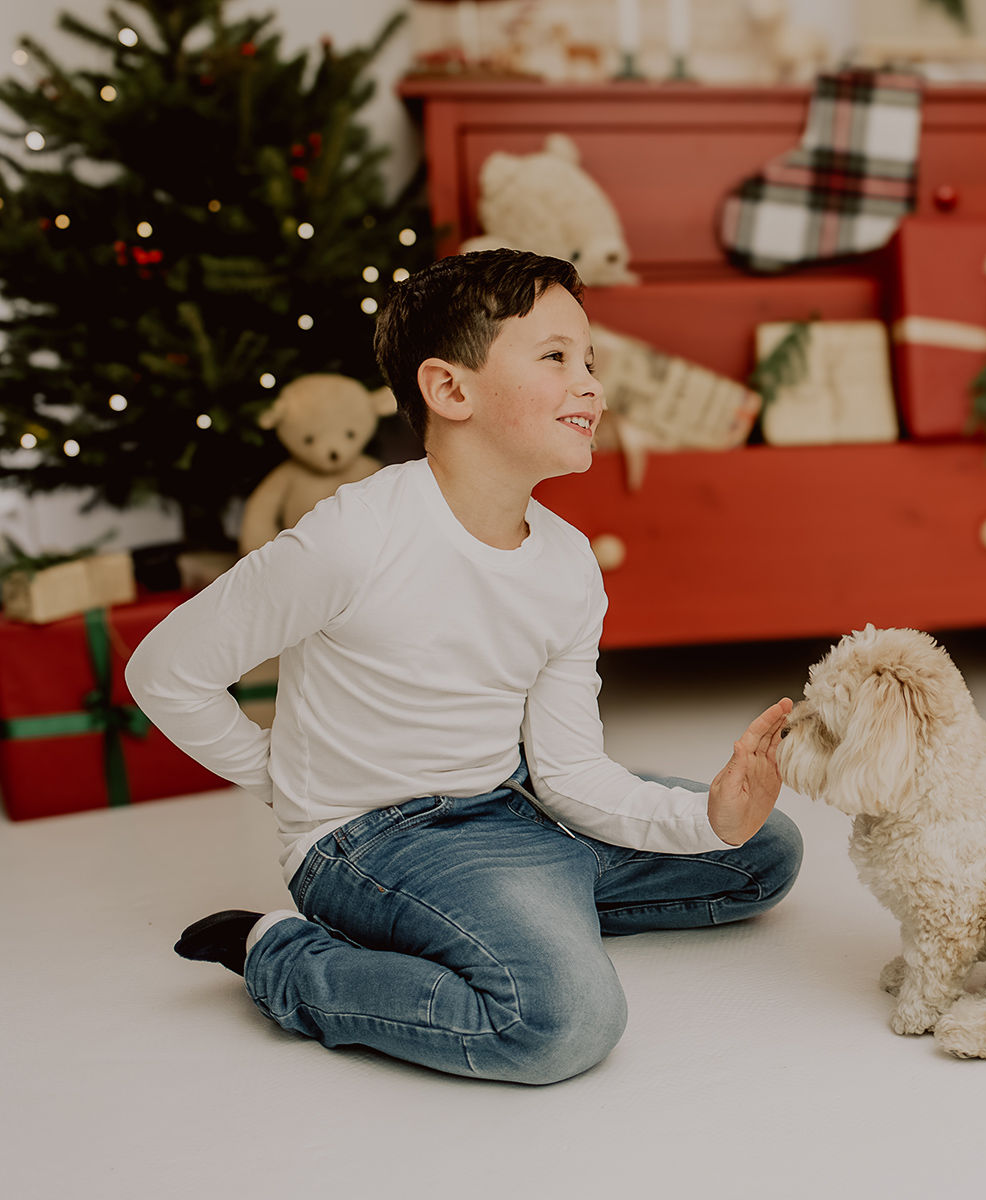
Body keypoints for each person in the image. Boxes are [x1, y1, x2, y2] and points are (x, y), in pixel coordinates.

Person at [126, 249, 800, 1085]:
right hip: (373, 838)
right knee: (562, 1023)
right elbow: (165, 671)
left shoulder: (567, 562)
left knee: (761, 851)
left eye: (589, 361)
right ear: (450, 391)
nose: (589, 383)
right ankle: (291, 960)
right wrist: (282, 778)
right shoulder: (353, 538)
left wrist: (715, 820)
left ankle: (515, 912)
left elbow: (570, 772)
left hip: (512, 803)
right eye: (555, 357)